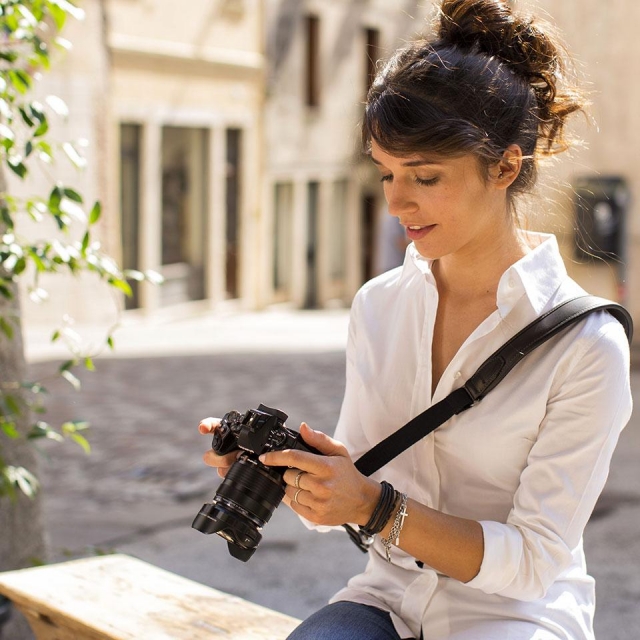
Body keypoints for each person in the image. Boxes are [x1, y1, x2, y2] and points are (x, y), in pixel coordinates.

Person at [199, 1, 633, 638]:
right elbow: (345, 499)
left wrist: (377, 510)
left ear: (505, 166)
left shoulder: (586, 344)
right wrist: (290, 473)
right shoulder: (380, 305)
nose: (396, 201)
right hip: (386, 599)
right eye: (386, 174)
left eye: (425, 177)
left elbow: (536, 562)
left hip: (514, 616)